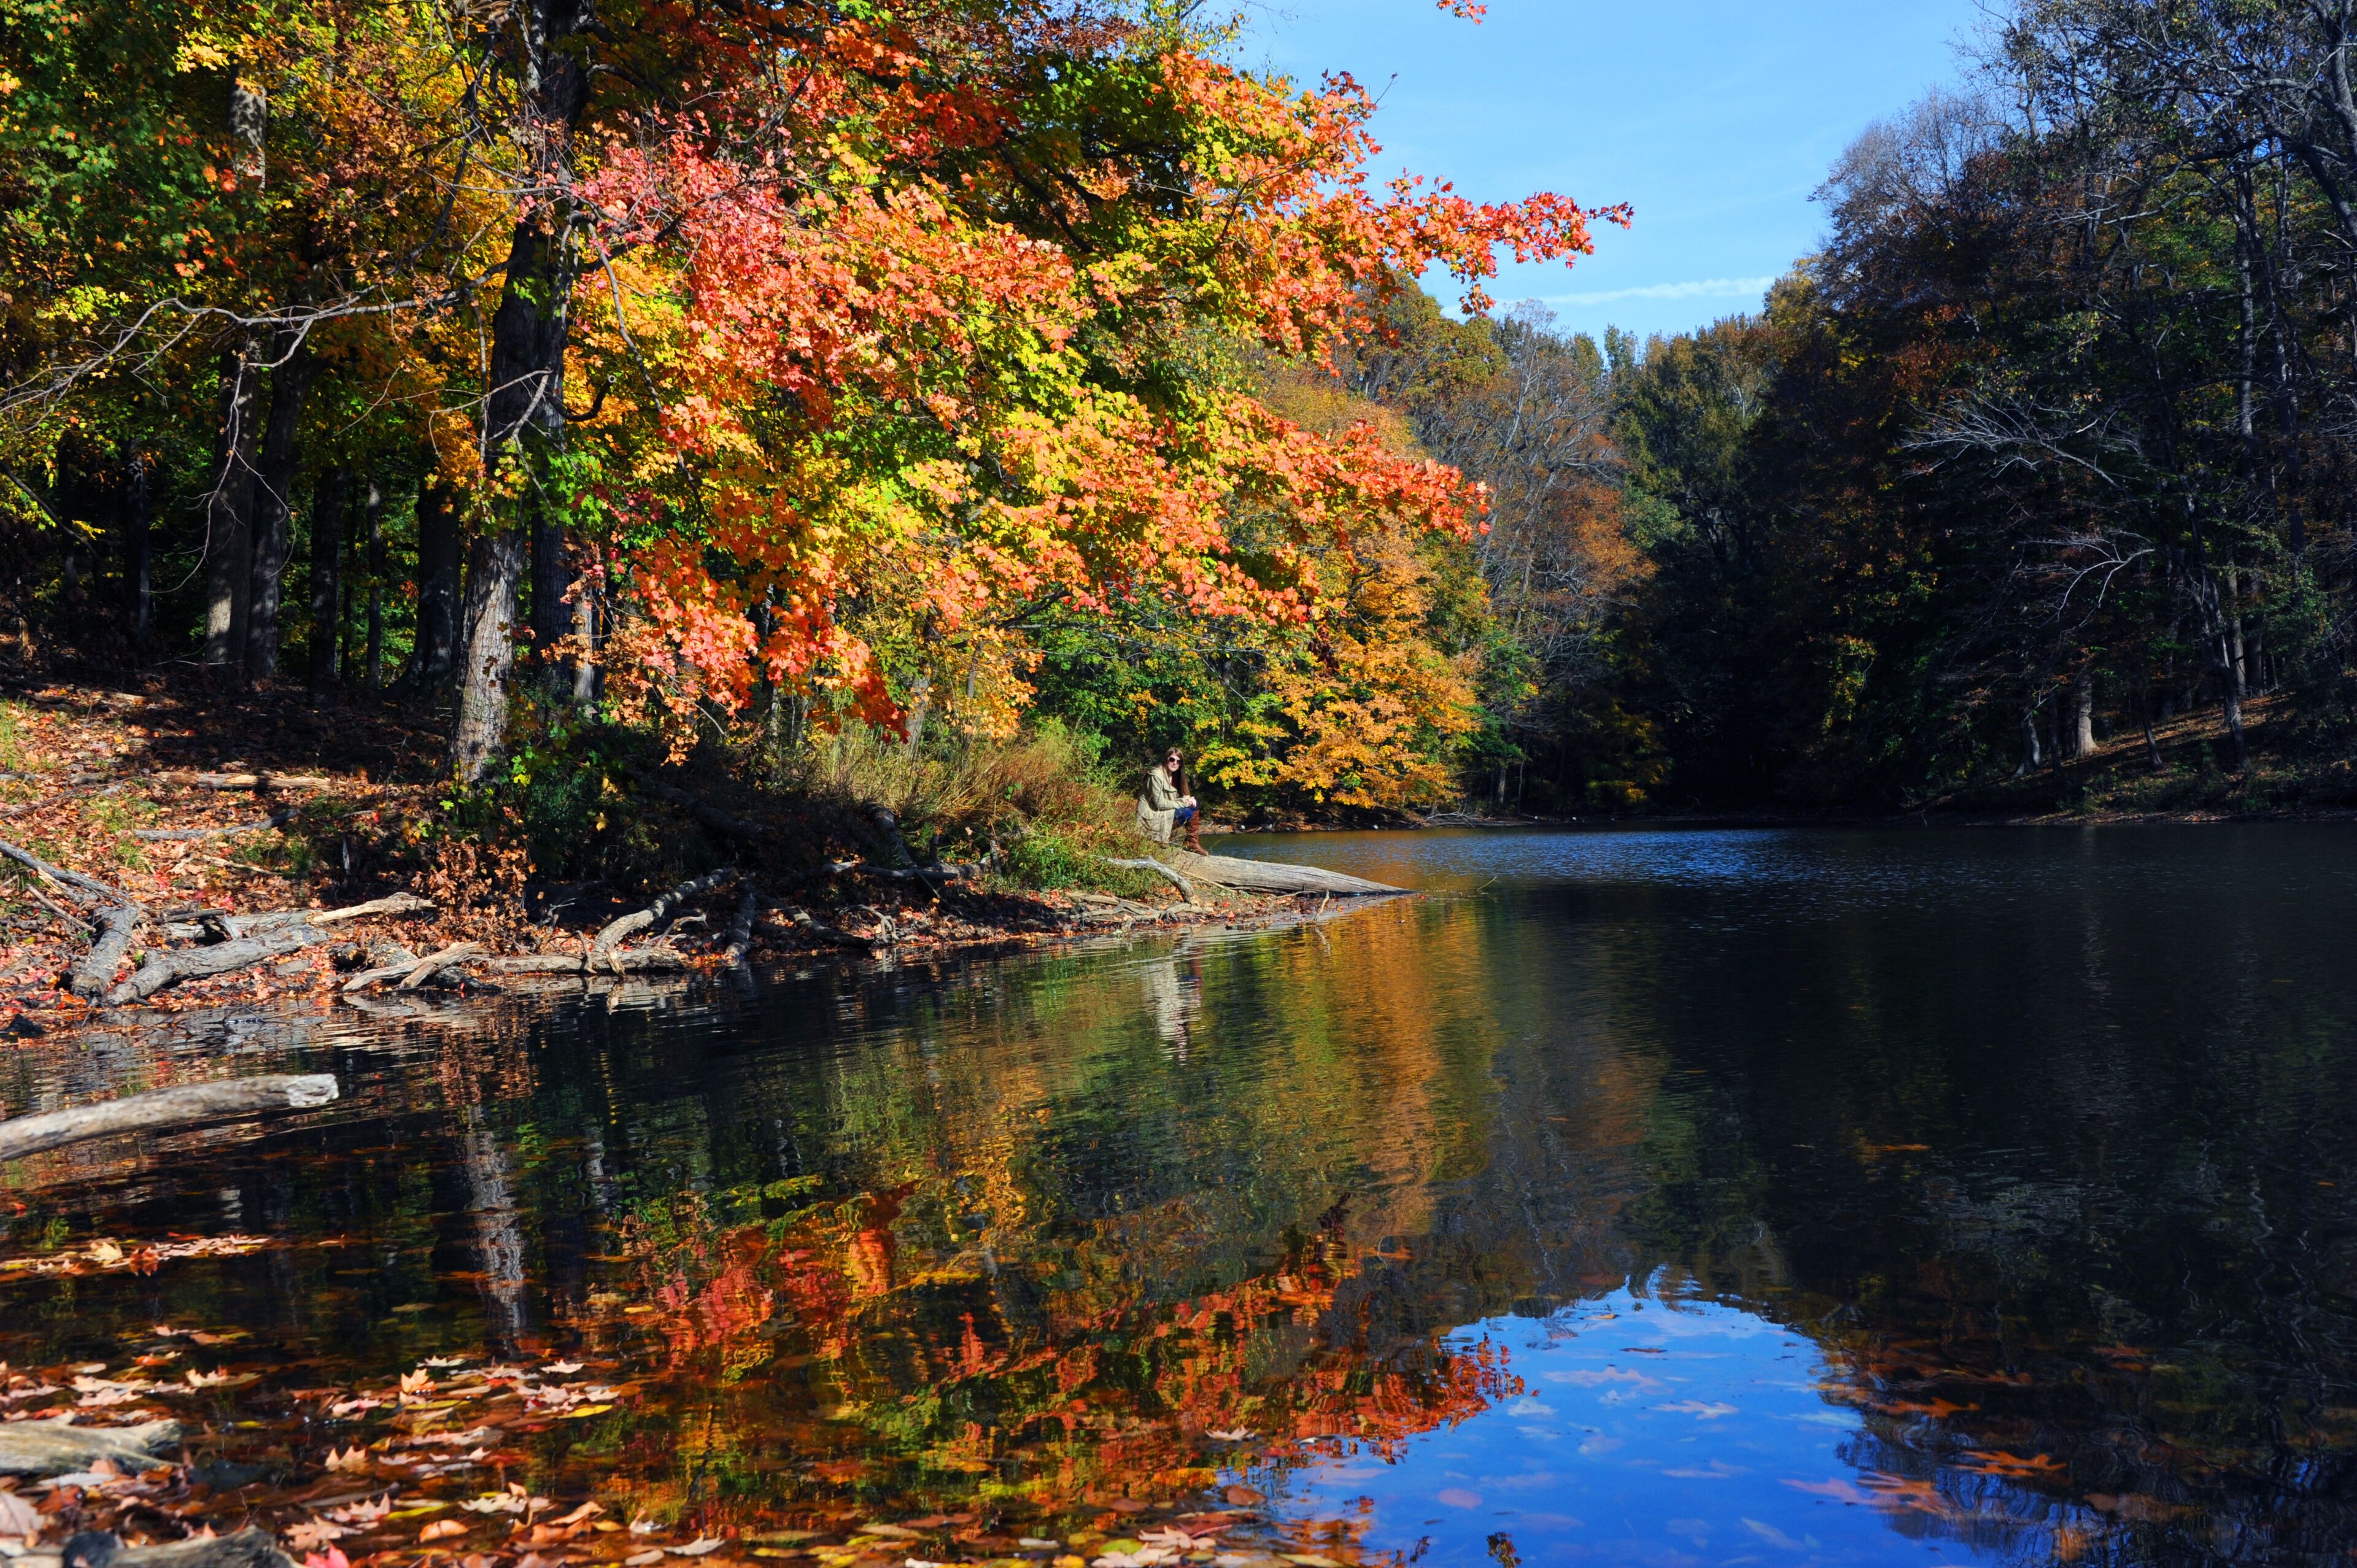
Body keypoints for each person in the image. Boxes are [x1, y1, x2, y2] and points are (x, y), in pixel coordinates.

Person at [1137, 746, 1203, 852]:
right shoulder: (1156, 775)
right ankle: (1158, 838)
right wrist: (1184, 802)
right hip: (1151, 814)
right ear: (1166, 759)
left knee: (1194, 807)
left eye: (1179, 761)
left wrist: (1189, 800)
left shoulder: (1174, 776)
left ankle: (1192, 843)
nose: (1175, 763)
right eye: (1172, 759)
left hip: (1163, 811)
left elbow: (1177, 798)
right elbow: (1160, 804)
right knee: (1187, 812)